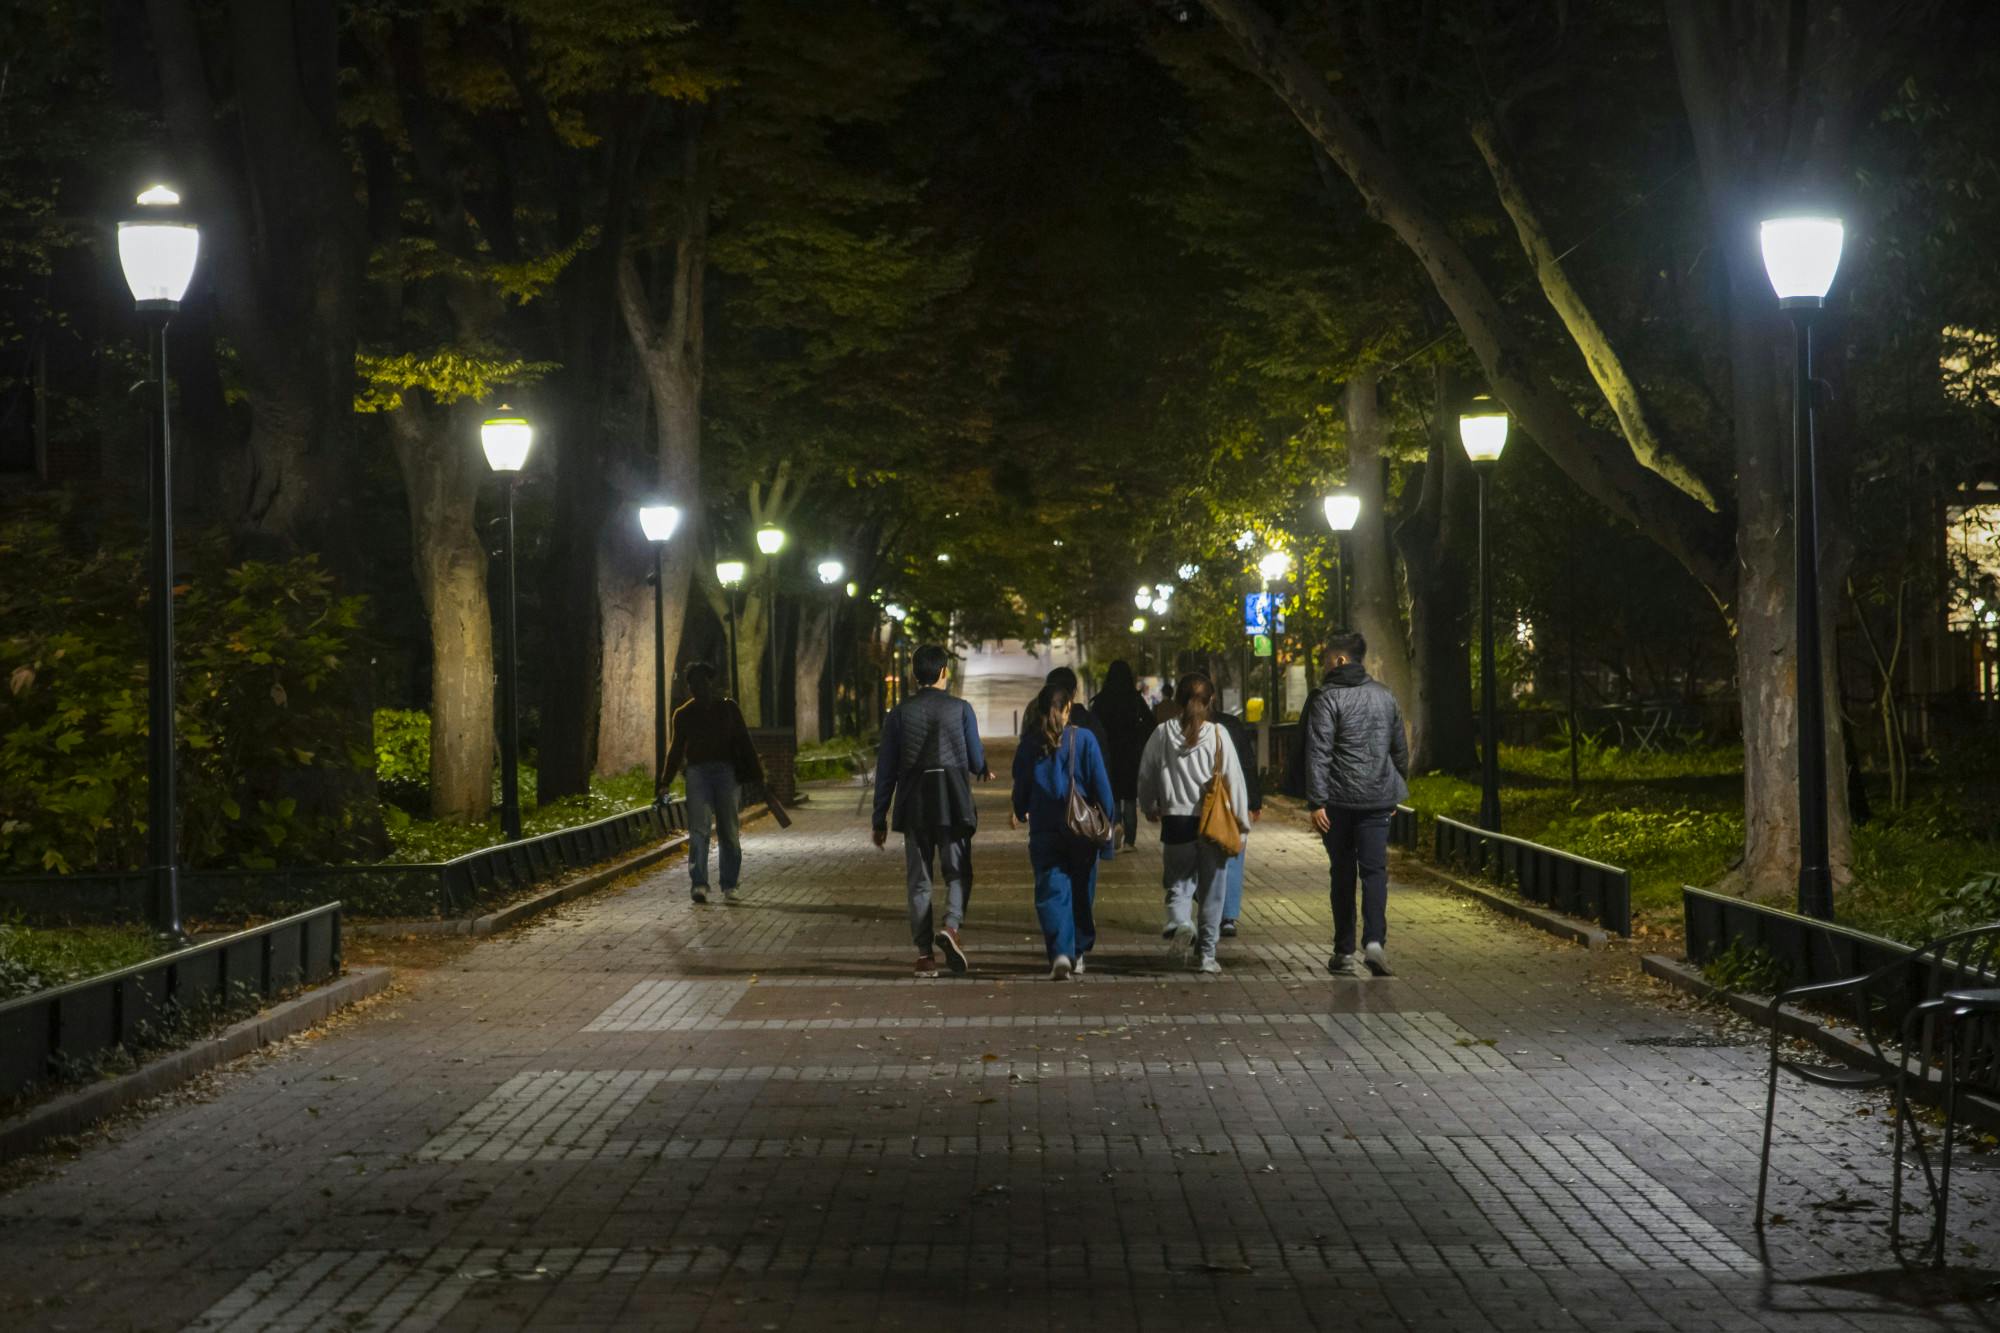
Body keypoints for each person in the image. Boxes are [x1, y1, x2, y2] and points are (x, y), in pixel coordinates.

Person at [873, 644, 991, 976]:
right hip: (951, 798)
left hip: (914, 802)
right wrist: (983, 768)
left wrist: (878, 817)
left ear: (914, 674)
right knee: (958, 871)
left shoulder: (898, 714)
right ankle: (951, 927)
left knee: (919, 880)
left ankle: (924, 954)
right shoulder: (961, 709)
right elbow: (976, 758)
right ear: (943, 672)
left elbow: (885, 770)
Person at [1303, 631, 1411, 977]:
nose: (1322, 663)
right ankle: (1375, 941)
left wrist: (1316, 801)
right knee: (1375, 870)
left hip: (1337, 801)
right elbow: (1400, 750)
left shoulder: (1327, 699)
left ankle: (1344, 950)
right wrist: (1394, 789)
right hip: (1378, 799)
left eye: (1325, 657)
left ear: (1340, 660)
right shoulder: (1385, 696)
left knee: (1343, 872)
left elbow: (1318, 753)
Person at [1136, 672, 1249, 974]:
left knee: (1179, 883)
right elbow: (1234, 780)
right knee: (1213, 890)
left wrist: (1148, 805)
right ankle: (1207, 956)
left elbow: (1146, 774)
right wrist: (1241, 823)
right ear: (1211, 701)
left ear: (1178, 701)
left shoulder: (1161, 733)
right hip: (1214, 823)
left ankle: (1181, 922)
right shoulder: (1218, 734)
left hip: (1176, 821)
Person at [1011, 679, 1117, 980]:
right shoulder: (1084, 740)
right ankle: (1079, 952)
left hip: (1045, 829)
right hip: (1082, 831)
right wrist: (1107, 831)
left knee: (1051, 890)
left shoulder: (1031, 744)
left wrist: (1020, 811)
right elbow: (1102, 789)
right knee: (1082, 891)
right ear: (1068, 706)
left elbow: (1021, 787)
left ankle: (1060, 951)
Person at [659, 662, 763, 904]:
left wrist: (757, 776)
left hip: (726, 771)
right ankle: (699, 883)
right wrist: (664, 782)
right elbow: (675, 750)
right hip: (697, 773)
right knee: (698, 829)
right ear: (689, 688)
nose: (699, 688)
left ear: (710, 683)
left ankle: (730, 884)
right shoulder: (683, 715)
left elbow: (744, 742)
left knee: (728, 829)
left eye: (702, 682)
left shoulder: (728, 709)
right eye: (694, 684)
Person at [1209, 700, 1263, 937]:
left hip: (1197, 804)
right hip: (1231, 799)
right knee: (1233, 854)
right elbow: (1247, 764)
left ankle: (1209, 910)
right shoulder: (1230, 724)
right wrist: (1252, 802)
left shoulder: (1178, 726)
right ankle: (1228, 916)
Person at [1090, 659, 1153, 849]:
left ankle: (1116, 825)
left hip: (1109, 753)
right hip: (1131, 754)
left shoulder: (1101, 700)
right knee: (1130, 798)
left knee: (1114, 794)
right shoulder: (1134, 699)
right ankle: (1130, 840)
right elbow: (1151, 723)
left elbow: (1094, 727)